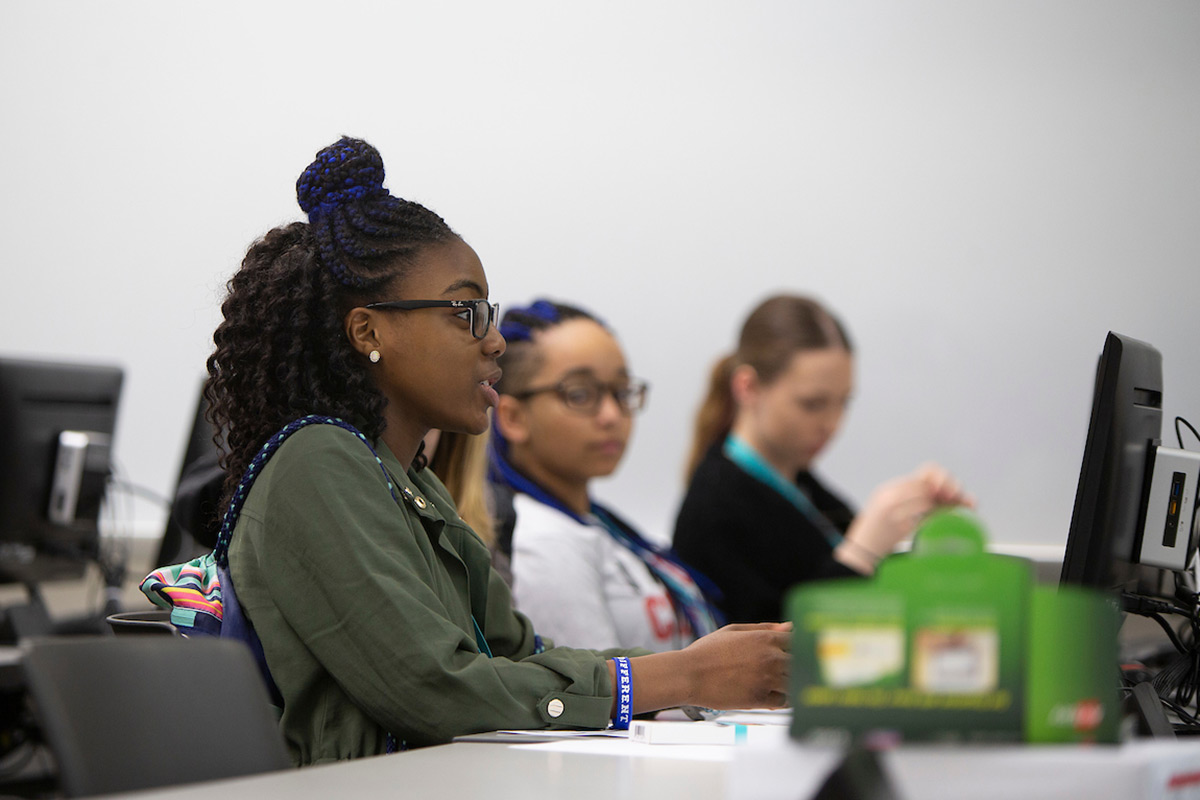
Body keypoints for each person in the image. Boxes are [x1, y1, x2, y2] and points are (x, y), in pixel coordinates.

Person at [189, 137, 788, 764]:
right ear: (369, 331)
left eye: (489, 313)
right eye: (465, 311)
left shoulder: (404, 479)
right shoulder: (316, 463)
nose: (495, 341)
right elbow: (434, 690)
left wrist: (696, 667)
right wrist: (683, 678)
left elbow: (520, 657)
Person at [673, 294, 971, 624]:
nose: (832, 424)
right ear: (748, 388)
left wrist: (919, 525)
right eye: (812, 404)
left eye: (844, 403)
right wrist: (861, 553)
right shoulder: (713, 511)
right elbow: (767, 655)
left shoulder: (801, 487)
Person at [488, 300, 722, 653]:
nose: (612, 415)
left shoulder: (598, 524)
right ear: (513, 417)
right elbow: (598, 695)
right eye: (580, 394)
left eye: (622, 391)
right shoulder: (541, 542)